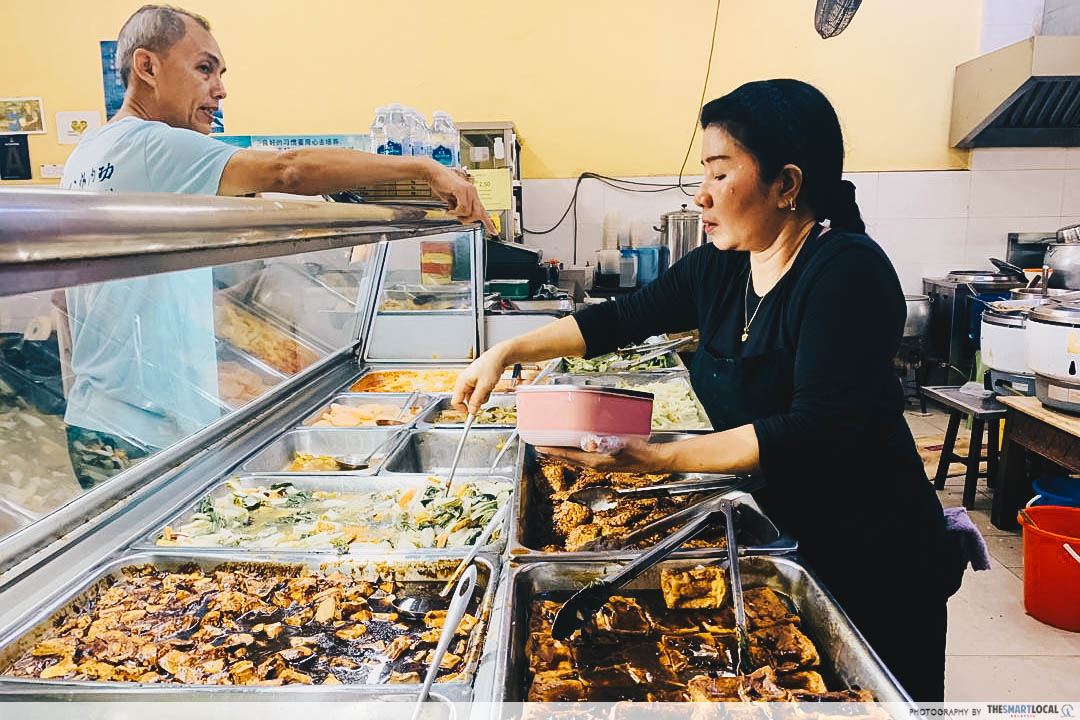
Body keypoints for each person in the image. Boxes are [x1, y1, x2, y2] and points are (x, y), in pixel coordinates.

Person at [454, 79, 953, 701]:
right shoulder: (725, 262)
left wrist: (652, 457)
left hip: (872, 556)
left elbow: (813, 429)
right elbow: (620, 318)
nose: (700, 195)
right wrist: (507, 350)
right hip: (779, 528)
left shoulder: (847, 272)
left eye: (719, 174)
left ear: (786, 184)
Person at [60, 5, 493, 486]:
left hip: (104, 416)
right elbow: (289, 170)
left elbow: (116, 288)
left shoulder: (91, 151)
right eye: (204, 69)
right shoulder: (150, 143)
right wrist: (423, 169)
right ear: (147, 67)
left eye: (221, 73)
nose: (220, 89)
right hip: (137, 431)